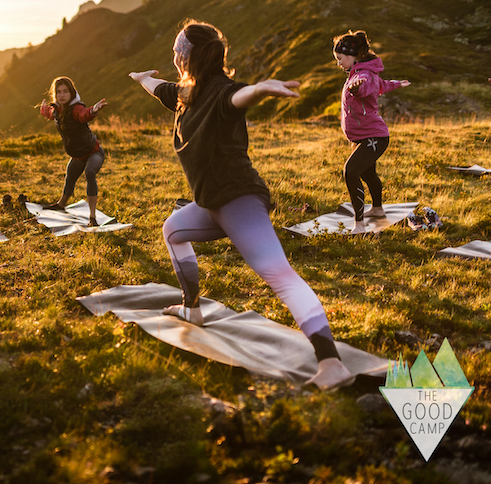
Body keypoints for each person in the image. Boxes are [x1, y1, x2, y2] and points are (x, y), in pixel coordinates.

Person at [129, 20, 354, 390]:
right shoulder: (186, 92)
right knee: (172, 229)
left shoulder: (219, 90)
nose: (172, 55)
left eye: (177, 50)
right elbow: (160, 89)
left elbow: (236, 99)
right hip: (211, 203)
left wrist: (259, 90)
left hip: (239, 200)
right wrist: (140, 78)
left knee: (278, 274)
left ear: (189, 56)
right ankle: (192, 309)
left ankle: (331, 363)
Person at [332, 30, 410, 234]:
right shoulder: (364, 73)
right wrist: (398, 84)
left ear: (352, 56)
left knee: (350, 171)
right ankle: (376, 209)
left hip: (374, 137)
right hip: (367, 137)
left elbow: (364, 88)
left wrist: (355, 89)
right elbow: (382, 85)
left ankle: (359, 224)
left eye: (340, 59)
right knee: (368, 173)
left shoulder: (362, 76)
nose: (338, 63)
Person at [39, 76, 108, 226]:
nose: (62, 95)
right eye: (58, 92)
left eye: (65, 91)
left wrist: (93, 110)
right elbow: (52, 115)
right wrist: (45, 111)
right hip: (77, 156)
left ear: (72, 93)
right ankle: (61, 205)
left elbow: (84, 114)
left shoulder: (76, 108)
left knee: (89, 173)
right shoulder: (58, 110)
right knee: (69, 178)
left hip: (93, 152)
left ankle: (92, 217)